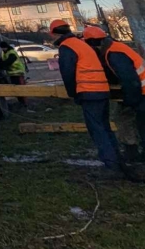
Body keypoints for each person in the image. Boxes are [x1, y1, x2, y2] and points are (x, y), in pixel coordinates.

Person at [82, 26, 145, 168]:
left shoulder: (114, 53)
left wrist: (130, 101)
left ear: (94, 43)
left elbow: (129, 79)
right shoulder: (114, 48)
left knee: (144, 124)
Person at [51, 19, 120, 174]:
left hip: (89, 91)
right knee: (104, 126)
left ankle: (111, 164)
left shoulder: (67, 46)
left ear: (53, 33)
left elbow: (68, 72)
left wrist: (73, 94)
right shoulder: (80, 43)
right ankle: (117, 158)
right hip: (101, 89)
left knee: (96, 128)